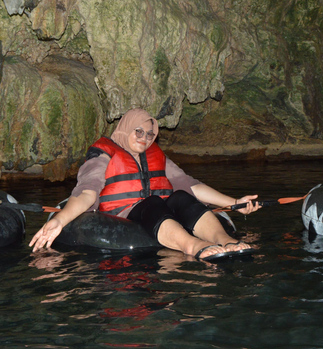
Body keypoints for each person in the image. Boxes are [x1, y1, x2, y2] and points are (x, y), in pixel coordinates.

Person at [30, 108, 259, 261]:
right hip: (123, 214)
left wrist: (235, 203)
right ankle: (192, 246)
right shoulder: (103, 155)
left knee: (180, 197)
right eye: (138, 131)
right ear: (125, 128)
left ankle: (225, 240)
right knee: (152, 203)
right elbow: (87, 192)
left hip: (157, 211)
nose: (144, 138)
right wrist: (60, 220)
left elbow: (189, 184)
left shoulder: (155, 156)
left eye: (150, 134)